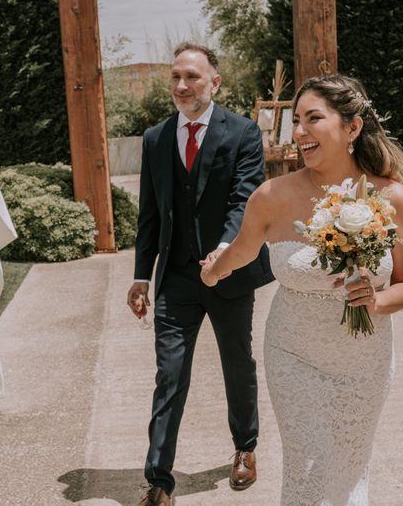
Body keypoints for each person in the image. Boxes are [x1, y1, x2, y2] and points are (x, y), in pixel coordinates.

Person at [200, 74, 403, 505]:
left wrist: (375, 301)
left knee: (347, 470)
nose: (299, 131)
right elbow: (243, 249)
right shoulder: (272, 195)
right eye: (297, 120)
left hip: (365, 360)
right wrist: (213, 270)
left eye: (313, 119)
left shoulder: (392, 197)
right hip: (294, 354)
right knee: (307, 466)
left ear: (352, 127)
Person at [127, 42, 274, 506]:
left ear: (215, 81)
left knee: (237, 364)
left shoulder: (244, 133)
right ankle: (158, 480)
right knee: (170, 374)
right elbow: (149, 216)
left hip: (229, 273)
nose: (181, 85)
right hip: (176, 278)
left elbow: (244, 201)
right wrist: (141, 276)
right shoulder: (155, 138)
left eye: (191, 76)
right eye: (175, 77)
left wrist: (225, 253)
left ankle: (245, 448)